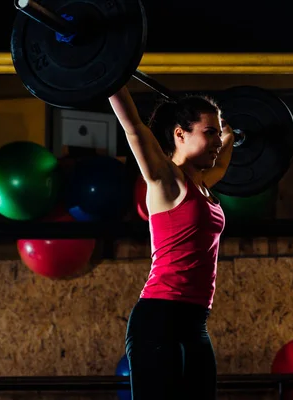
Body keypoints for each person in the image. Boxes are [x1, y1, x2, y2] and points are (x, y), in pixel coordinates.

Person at [108, 85, 234, 400]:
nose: (216, 142)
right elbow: (134, 128)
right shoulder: (166, 179)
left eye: (217, 134)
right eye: (209, 133)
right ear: (180, 134)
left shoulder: (203, 183)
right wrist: (110, 79)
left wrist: (229, 133)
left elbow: (223, 158)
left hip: (195, 323)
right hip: (159, 320)